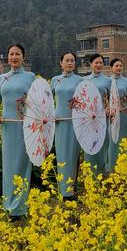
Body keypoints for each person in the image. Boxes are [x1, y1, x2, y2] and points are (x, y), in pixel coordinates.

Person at [0, 44, 35, 218]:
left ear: (23, 57)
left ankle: (19, 208)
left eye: (17, 54)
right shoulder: (2, 78)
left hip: (25, 125)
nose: (14, 57)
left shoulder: (30, 77)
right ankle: (8, 204)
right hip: (7, 125)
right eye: (11, 54)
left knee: (22, 163)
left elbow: (38, 100)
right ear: (7, 57)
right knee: (8, 164)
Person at [50, 52, 83, 198]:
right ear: (61, 63)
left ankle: (71, 190)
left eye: (72, 61)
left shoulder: (80, 80)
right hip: (59, 121)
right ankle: (62, 190)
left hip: (75, 122)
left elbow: (84, 100)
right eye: (67, 60)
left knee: (73, 154)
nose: (70, 63)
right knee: (61, 154)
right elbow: (48, 101)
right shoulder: (54, 80)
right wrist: (50, 116)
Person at [82, 53, 111, 176]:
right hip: (88, 119)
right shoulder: (84, 80)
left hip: (102, 118)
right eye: (96, 63)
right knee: (89, 143)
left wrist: (110, 108)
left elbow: (111, 99)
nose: (98, 65)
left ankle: (103, 170)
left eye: (100, 63)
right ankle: (90, 172)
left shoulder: (108, 80)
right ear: (90, 64)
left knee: (103, 142)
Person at [107, 58, 127, 172]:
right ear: (111, 67)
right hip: (111, 116)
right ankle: (111, 167)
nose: (119, 68)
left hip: (124, 115)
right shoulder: (107, 81)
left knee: (124, 139)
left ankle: (125, 167)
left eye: (120, 66)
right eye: (116, 66)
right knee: (112, 140)